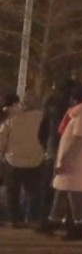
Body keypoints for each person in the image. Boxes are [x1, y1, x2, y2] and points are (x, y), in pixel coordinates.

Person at [40, 84, 82, 240]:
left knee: (74, 193)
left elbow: (78, 139)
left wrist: (66, 158)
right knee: (63, 190)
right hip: (78, 161)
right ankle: (53, 221)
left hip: (76, 162)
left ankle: (79, 226)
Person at [0, 95, 48, 228]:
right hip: (35, 158)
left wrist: (2, 154)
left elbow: (2, 139)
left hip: (13, 159)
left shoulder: (10, 118)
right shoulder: (41, 117)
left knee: (12, 192)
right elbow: (45, 136)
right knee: (33, 191)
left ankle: (15, 219)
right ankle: (32, 218)